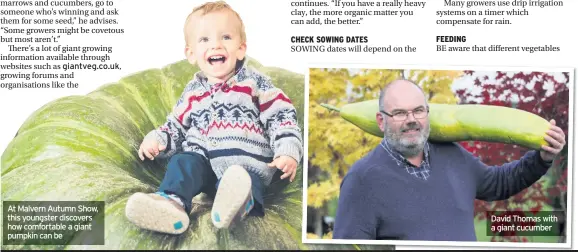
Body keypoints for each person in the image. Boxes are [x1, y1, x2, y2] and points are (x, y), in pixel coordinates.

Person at [124, 1, 303, 234]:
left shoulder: (255, 84)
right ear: (191, 53)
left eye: (226, 37)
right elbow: (176, 126)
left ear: (241, 48)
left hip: (245, 167)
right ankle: (172, 204)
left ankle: (235, 206)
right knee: (183, 162)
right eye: (204, 40)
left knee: (244, 183)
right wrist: (158, 139)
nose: (216, 45)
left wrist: (288, 149)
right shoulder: (192, 93)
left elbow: (280, 115)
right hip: (204, 165)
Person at [332, 79, 566, 241]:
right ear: (381, 121)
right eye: (400, 113)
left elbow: (500, 183)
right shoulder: (362, 179)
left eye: (418, 110)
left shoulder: (452, 154)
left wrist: (542, 158)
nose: (411, 120)